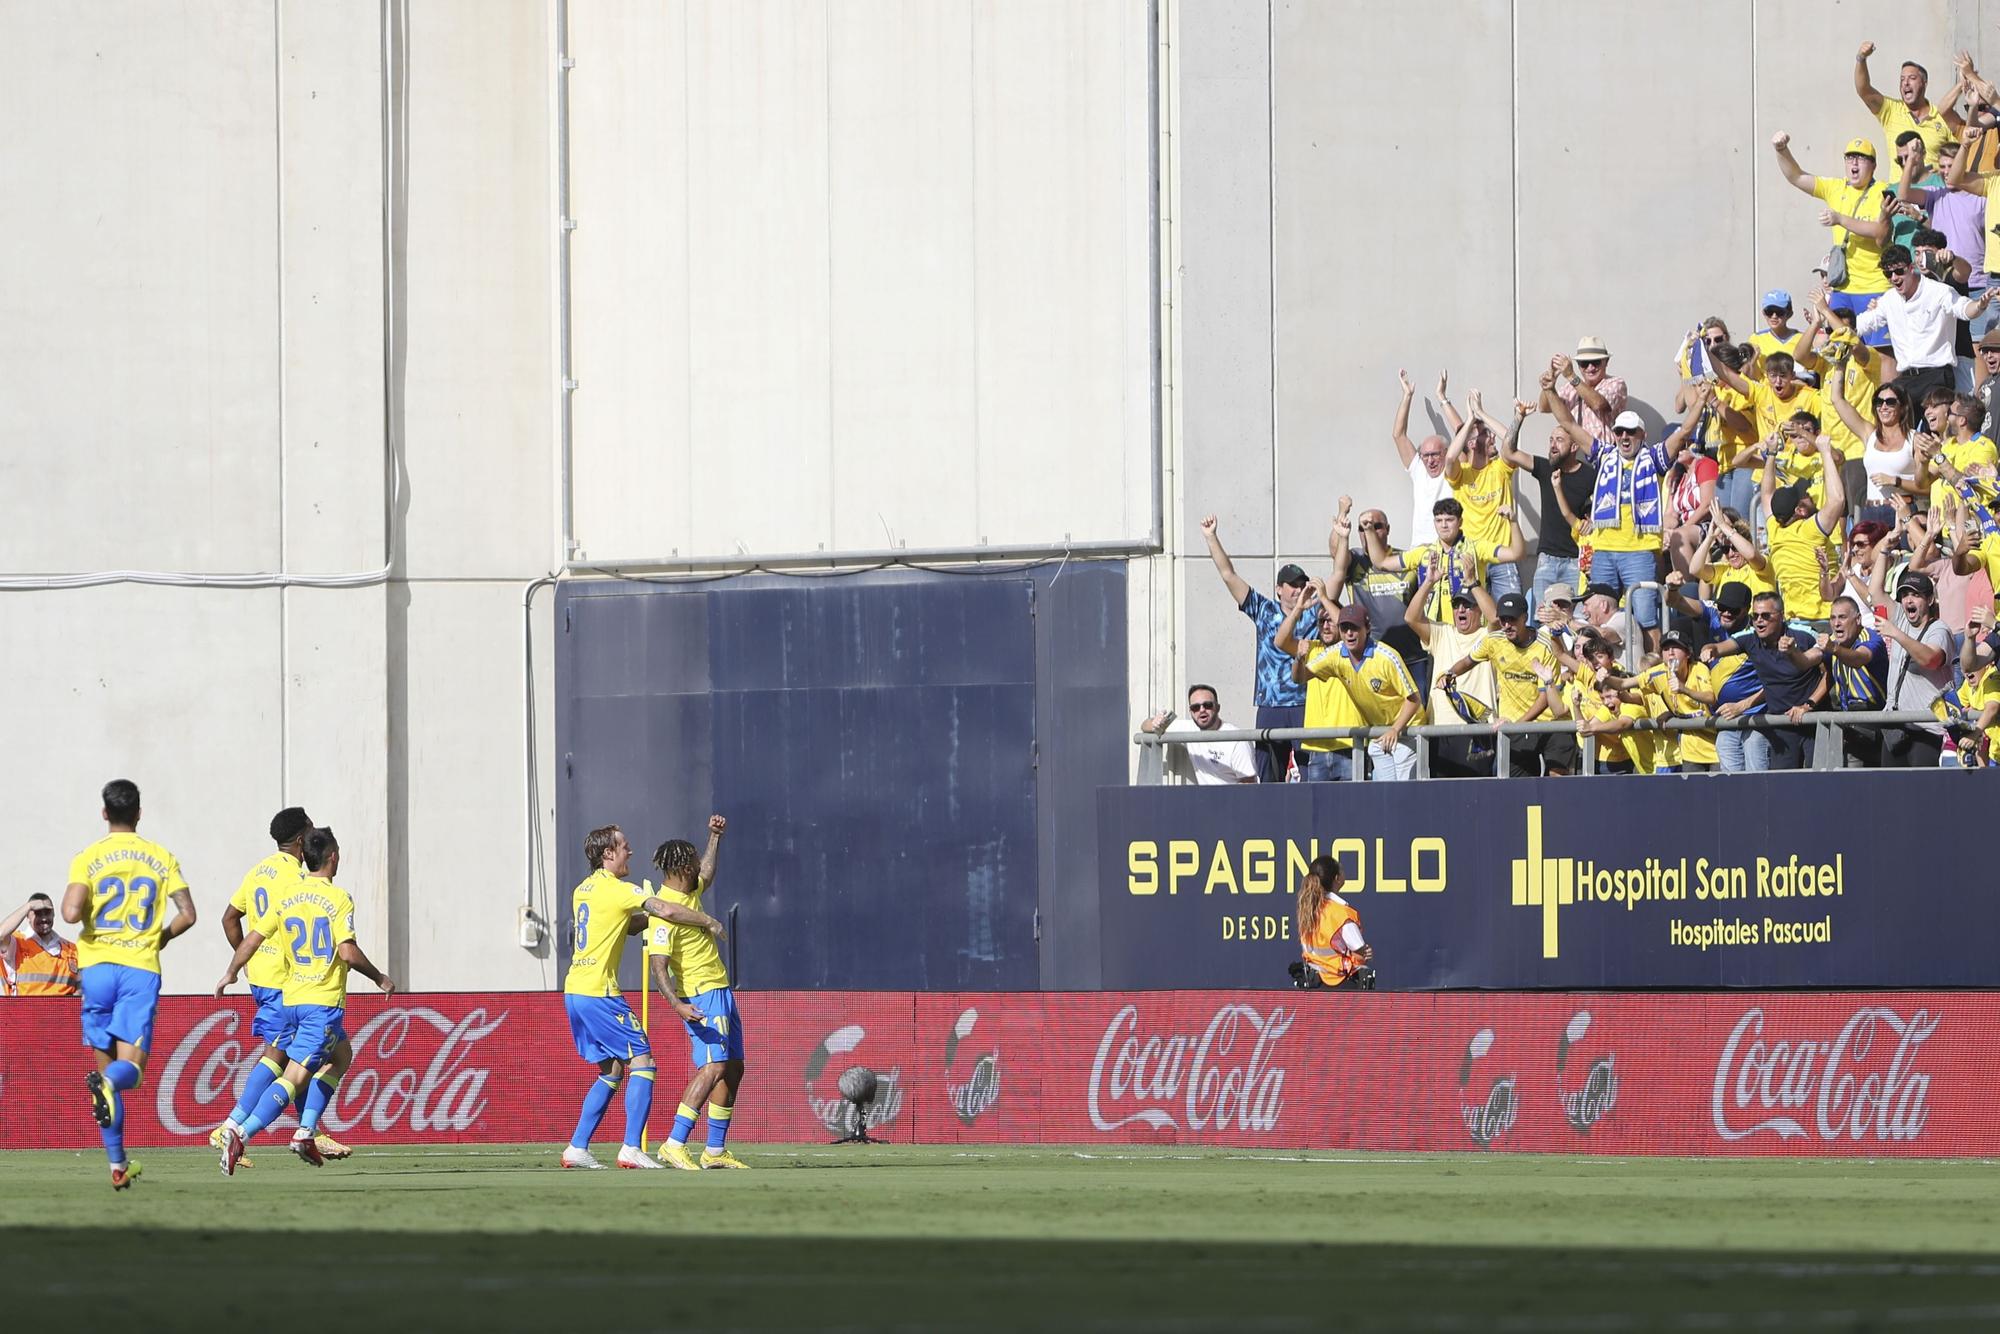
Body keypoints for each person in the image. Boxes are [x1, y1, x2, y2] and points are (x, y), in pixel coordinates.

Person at [213, 828, 395, 1173]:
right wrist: (379, 977)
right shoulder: (339, 898)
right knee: (295, 1075)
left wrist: (232, 971)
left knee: (341, 1055)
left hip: (291, 998)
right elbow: (348, 952)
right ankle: (241, 1132)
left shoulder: (288, 895)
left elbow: (251, 938)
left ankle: (306, 1131)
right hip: (321, 1002)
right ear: (333, 857)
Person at [555, 824, 725, 1170]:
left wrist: (647, 918)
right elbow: (669, 910)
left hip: (575, 990)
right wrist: (707, 920)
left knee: (612, 1069)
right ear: (607, 854)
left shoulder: (583, 890)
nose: (629, 852)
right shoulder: (617, 888)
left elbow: (628, 925)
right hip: (600, 992)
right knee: (643, 1061)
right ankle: (632, 1147)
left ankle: (577, 1147)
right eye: (624, 847)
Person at [61, 779, 197, 1189]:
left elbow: (69, 913)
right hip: (138, 969)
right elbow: (188, 914)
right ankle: (117, 1152)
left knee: (106, 1079)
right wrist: (163, 935)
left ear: (105, 813)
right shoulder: (160, 856)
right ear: (139, 812)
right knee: (131, 1073)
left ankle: (117, 1166)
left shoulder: (87, 857)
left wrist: (90, 907)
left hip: (97, 969)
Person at [210, 806, 351, 1166]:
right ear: (303, 840)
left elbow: (230, 918)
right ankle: (233, 1128)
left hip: (262, 976)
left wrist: (243, 961)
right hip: (288, 981)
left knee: (310, 1054)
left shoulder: (258, 870)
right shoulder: (297, 878)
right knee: (284, 1057)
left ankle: (307, 1130)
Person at [1546, 390, 1708, 656]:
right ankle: (1602, 675)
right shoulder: (1604, 454)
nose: (1624, 437)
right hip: (1604, 551)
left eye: (1630, 432)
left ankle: (1652, 674)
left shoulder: (1654, 457)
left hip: (1639, 552)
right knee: (1597, 618)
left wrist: (1701, 401)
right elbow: (1569, 424)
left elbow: (1684, 431)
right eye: (1620, 431)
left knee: (1645, 620)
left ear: (1642, 435)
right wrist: (1551, 390)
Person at [647, 816, 749, 1170]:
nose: (698, 868)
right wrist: (677, 1004)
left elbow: (708, 873)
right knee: (713, 1065)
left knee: (733, 1067)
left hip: (719, 990)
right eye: (692, 862)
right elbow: (658, 965)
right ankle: (674, 1143)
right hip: (701, 994)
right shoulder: (663, 913)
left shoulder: (690, 892)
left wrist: (714, 837)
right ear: (681, 867)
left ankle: (715, 1151)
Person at [1198, 515, 1320, 782]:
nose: (1298, 590)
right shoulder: (1264, 610)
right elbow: (1228, 575)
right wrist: (1211, 537)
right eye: (1292, 585)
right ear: (1279, 589)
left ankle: (1313, 824)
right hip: (1271, 704)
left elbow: (1337, 578)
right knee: (1269, 775)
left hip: (1306, 702)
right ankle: (1272, 825)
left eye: (1302, 585)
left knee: (1312, 773)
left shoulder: (1315, 612)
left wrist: (1342, 534)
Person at [1772, 131, 1892, 346]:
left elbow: (1879, 231)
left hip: (1875, 287)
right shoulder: (1835, 188)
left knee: (1878, 353)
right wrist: (1782, 150)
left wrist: (1840, 219)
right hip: (1842, 288)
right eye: (1850, 158)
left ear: (1873, 165)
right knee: (1840, 348)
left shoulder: (1882, 191)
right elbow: (1796, 177)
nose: (1854, 164)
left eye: (1862, 158)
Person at [1438, 592, 1573, 778]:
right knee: (1517, 789)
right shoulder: (1494, 641)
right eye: (1503, 620)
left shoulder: (1545, 646)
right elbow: (1468, 661)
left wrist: (1518, 725)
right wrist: (1450, 673)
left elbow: (1545, 699)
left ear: (1525, 618)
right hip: (1515, 725)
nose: (1507, 625)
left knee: (1558, 782)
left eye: (1512, 620)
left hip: (1550, 724)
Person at [1290, 602, 1423, 781]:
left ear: (1367, 628)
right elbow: (1299, 678)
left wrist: (1395, 729)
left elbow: (1414, 699)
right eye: (1344, 628)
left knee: (1406, 794)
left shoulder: (1386, 656)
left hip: (1407, 730)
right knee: (1386, 795)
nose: (1349, 633)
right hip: (1380, 734)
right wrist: (1299, 658)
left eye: (1354, 628)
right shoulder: (1335, 654)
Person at [1854, 245, 1993, 402]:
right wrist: (1828, 319)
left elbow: (1965, 309)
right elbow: (1860, 325)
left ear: (1911, 268)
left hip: (1937, 375)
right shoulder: (1888, 299)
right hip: (1906, 378)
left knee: (1934, 417)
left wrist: (1980, 305)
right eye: (1888, 274)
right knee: (1888, 407)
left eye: (1899, 271)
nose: (1894, 278)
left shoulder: (1938, 291)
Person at [1702, 592, 1824, 770]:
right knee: (1783, 787)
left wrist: (1808, 705)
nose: (1760, 621)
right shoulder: (1750, 638)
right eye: (1755, 616)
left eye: (1766, 616)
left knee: (1818, 785)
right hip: (1782, 725)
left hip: (1814, 720)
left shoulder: (1804, 635)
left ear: (1781, 616)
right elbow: (1718, 647)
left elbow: (1827, 673)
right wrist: (1709, 649)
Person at [1495, 396, 1594, 610]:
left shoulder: (1590, 476)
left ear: (1574, 445)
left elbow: (1597, 510)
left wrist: (1591, 519)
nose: (1552, 445)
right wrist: (1519, 417)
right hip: (1546, 560)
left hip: (1576, 562)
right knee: (1544, 622)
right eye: (1551, 440)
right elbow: (1508, 452)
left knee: (1576, 621)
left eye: (1559, 440)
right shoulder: (1545, 468)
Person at [1404, 563, 1499, 778]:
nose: (1461, 610)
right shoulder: (1442, 633)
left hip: (1479, 731)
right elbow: (1411, 618)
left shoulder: (1489, 636)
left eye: (1468, 605)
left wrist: (1473, 583)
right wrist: (1429, 582)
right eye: (1457, 605)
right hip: (1440, 730)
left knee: (1477, 797)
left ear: (1479, 610)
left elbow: (1495, 618)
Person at [1365, 496, 1522, 625]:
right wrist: (1369, 530)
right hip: (1437, 636)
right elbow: (1381, 562)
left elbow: (1516, 554)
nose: (1444, 525)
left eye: (1449, 520)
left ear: (1460, 522)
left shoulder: (1476, 548)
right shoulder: (1424, 552)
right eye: (1439, 520)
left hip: (1471, 633)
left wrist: (1513, 522)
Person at [1781, 596, 1889, 767]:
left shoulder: (1871, 638)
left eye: (1842, 617)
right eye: (1832, 618)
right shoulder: (1833, 641)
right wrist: (1792, 652)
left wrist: (1834, 649)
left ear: (1858, 619)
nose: (1836, 623)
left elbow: (1858, 658)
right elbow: (1805, 661)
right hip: (1849, 723)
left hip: (1875, 720)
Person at [1761, 431, 1848, 625]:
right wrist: (1825, 451)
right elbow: (1837, 500)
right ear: (1799, 510)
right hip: (1825, 620)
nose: (1809, 493)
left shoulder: (1774, 529)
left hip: (1794, 622)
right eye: (1804, 496)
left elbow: (1766, 495)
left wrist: (1771, 454)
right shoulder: (1810, 531)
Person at [1878, 569, 1956, 766]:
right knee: (1889, 793)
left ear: (1930, 600)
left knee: (1922, 794)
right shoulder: (1902, 620)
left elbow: (1930, 659)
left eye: (1915, 595)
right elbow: (1875, 591)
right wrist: (1885, 550)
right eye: (1904, 595)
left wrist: (1896, 633)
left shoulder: (1939, 629)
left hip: (1928, 731)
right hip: (1897, 728)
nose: (1908, 600)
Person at [1824, 363, 1918, 526]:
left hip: (1902, 511)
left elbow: (1926, 487)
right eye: (1879, 402)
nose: (1883, 407)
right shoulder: (1870, 434)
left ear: (1902, 407)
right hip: (1870, 511)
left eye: (1890, 402)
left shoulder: (1915, 439)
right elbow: (1837, 400)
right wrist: (1840, 366)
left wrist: (1896, 481)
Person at [1450, 392, 1521, 596]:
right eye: (1486, 434)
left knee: (1509, 618)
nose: (1492, 438)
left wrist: (1481, 413)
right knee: (1472, 620)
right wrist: (1470, 420)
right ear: (1472, 444)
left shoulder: (1500, 468)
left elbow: (1509, 439)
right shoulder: (1460, 473)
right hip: (1470, 558)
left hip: (1502, 556)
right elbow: (1449, 458)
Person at [1854, 44, 1963, 170]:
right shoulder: (1891, 110)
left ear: (1924, 83)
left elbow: (1957, 158)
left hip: (1932, 187)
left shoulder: (1941, 116)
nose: (1905, 83)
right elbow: (1864, 90)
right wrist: (1861, 59)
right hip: (1899, 188)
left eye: (1912, 78)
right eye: (1902, 79)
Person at [1139, 685, 1257, 785]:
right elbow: (1144, 725)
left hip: (1233, 804)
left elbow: (1249, 786)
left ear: (1218, 708)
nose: (1202, 710)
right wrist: (1156, 723)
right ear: (1191, 712)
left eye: (1207, 705)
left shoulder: (1236, 740)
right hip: (1204, 803)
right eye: (1195, 707)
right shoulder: (1189, 729)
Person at [1391, 369, 1454, 546]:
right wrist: (1407, 396)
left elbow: (1462, 436)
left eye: (1435, 454)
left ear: (1446, 453)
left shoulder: (1453, 472)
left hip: (1450, 550)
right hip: (1420, 551)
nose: (1430, 460)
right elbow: (1399, 435)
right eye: (1425, 455)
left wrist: (1442, 398)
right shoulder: (1419, 470)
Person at [1294, 855, 1373, 988]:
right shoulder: (1342, 913)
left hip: (1314, 985)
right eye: (1341, 870)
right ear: (1337, 878)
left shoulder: (1308, 910)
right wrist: (1365, 952)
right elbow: (1359, 948)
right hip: (1342, 985)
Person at [1550, 336, 1629, 443]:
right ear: (1578, 365)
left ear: (1606, 362)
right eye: (1585, 363)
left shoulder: (1616, 383)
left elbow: (1598, 404)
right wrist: (1549, 386)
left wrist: (1571, 376)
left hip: (1604, 454)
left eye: (1596, 362)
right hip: (1576, 455)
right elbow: (1545, 407)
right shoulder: (1570, 387)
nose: (1590, 368)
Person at [1, 894, 80, 997]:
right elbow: (1, 934)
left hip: (62, 1012)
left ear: (53, 914)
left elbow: (81, 987)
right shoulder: (16, 943)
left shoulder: (72, 949)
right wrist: (29, 906)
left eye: (47, 912)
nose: (43, 918)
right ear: (27, 916)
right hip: (24, 1012)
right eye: (37, 913)